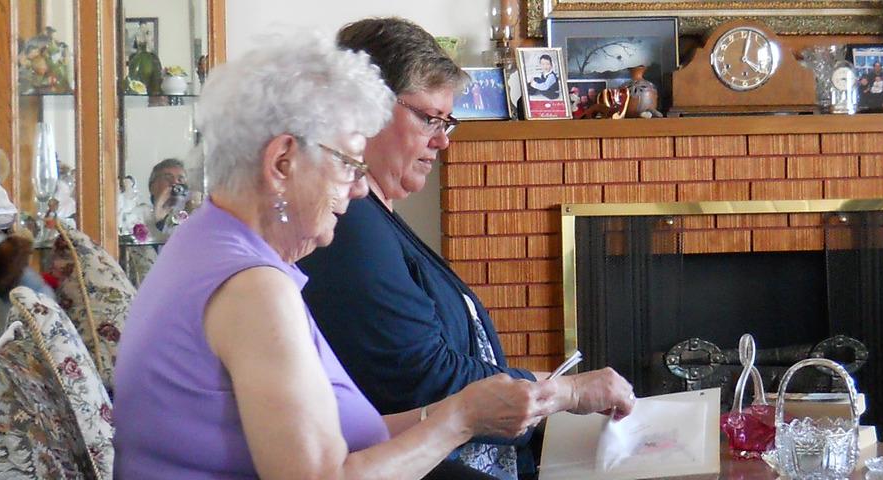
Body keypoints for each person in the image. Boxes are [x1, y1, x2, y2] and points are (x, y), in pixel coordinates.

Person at [113, 28, 556, 479]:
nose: (361, 187)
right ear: (282, 161)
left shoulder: (207, 243)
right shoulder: (253, 289)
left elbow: (331, 439)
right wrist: (459, 419)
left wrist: (460, 412)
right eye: (348, 163)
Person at [298, 17, 635, 480]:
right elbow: (427, 381)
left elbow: (460, 371)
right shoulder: (351, 230)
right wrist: (567, 394)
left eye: (447, 123)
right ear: (362, 107)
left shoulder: (375, 220)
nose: (441, 141)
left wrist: (558, 390)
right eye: (428, 118)